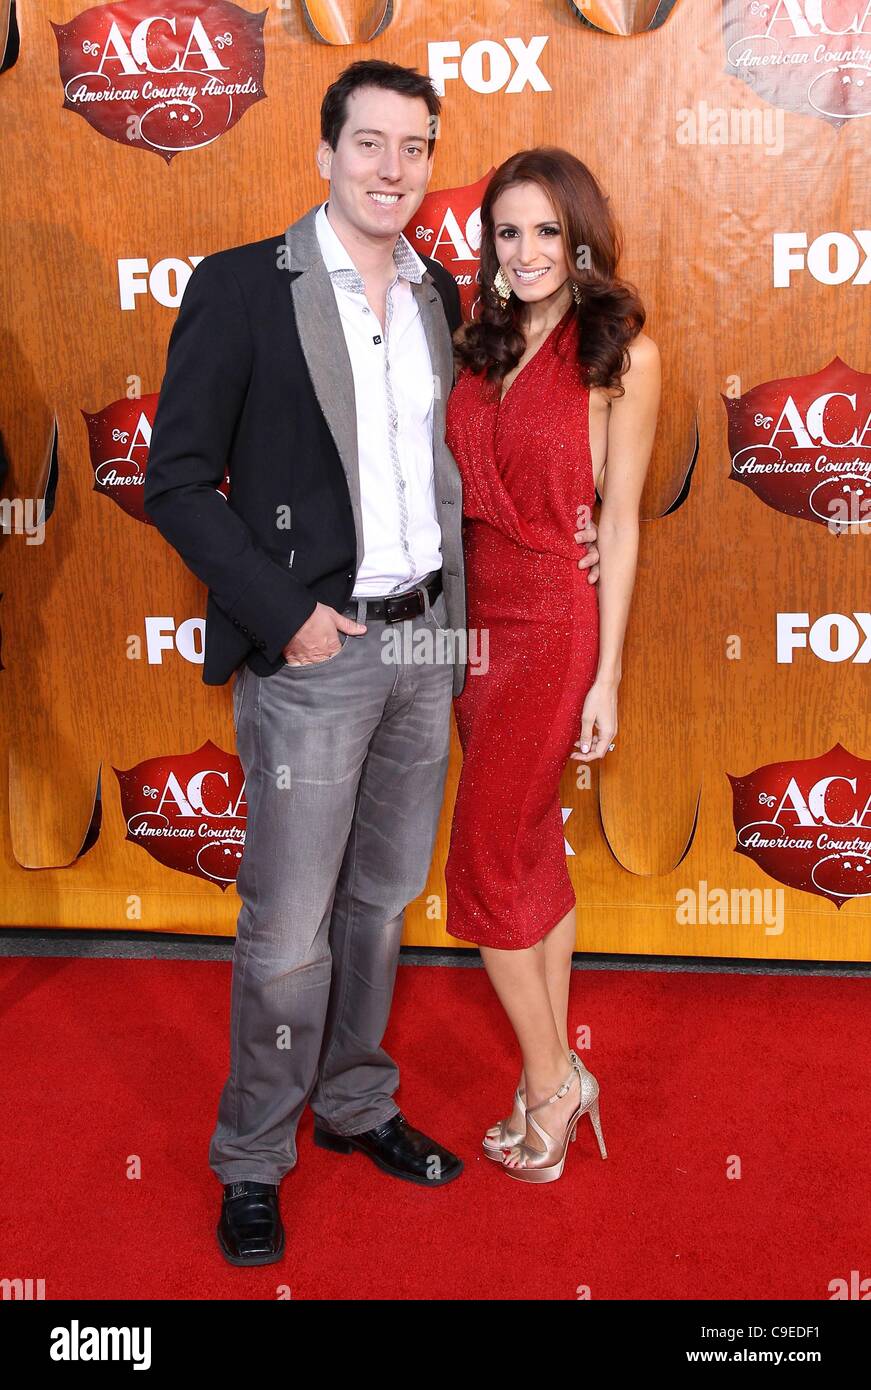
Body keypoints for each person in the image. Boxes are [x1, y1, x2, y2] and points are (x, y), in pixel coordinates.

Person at [144, 57, 605, 1263]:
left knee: (384, 905)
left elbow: (490, 458)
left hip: (429, 647)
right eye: (369, 145)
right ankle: (253, 1155)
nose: (391, 169)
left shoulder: (444, 294)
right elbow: (177, 482)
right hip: (315, 653)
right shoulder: (243, 287)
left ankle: (352, 1102)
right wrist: (282, 612)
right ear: (324, 152)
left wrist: (580, 525)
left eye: (413, 149)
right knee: (287, 925)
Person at [444, 147, 661, 1183]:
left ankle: (553, 1081)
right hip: (472, 627)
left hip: (552, 628)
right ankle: (556, 1072)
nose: (526, 251)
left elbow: (617, 529)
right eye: (506, 231)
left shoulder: (619, 351)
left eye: (545, 231)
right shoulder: (476, 342)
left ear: (579, 237)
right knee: (528, 850)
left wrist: (607, 674)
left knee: (483, 871)